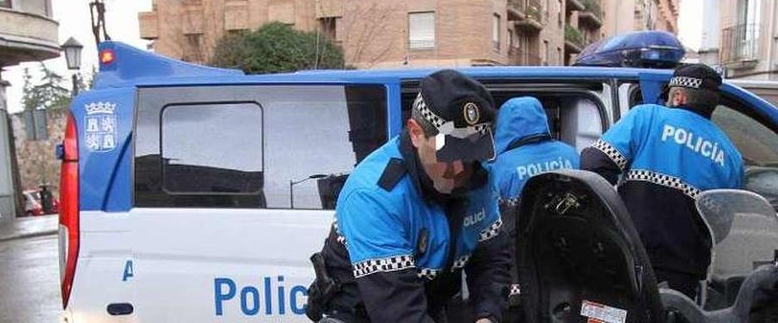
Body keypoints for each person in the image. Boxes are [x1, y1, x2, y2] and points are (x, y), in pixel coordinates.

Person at [307, 69, 511, 323]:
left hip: (428, 303)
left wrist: (487, 316)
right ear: (415, 133)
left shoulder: (480, 178)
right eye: (448, 154)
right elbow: (399, 313)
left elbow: (492, 260)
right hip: (363, 313)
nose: (459, 170)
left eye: (470, 154)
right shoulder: (374, 195)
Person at [581, 64, 744, 298]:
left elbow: (594, 163)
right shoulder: (731, 156)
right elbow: (721, 225)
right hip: (683, 274)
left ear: (678, 96)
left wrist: (607, 217)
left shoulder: (647, 117)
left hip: (628, 257)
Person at [490, 96, 581, 322]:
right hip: (569, 270)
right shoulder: (571, 154)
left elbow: (489, 224)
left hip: (520, 276)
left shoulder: (499, 167)